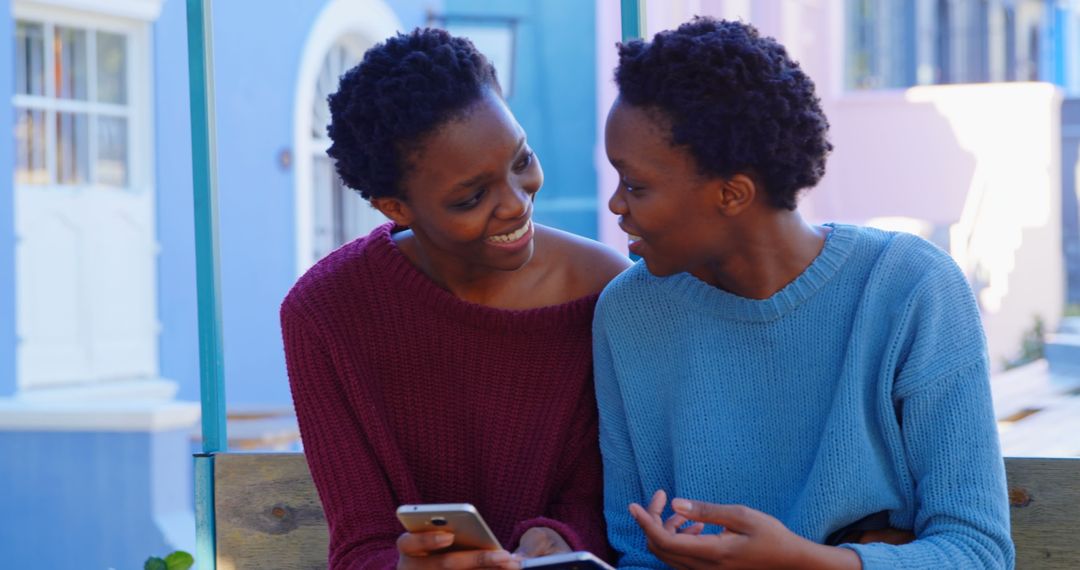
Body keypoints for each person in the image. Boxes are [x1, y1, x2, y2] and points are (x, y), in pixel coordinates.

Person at [593, 17, 1014, 569]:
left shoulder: (910, 289)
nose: (617, 206)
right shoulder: (628, 313)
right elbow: (634, 550)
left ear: (732, 194)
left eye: (637, 185)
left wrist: (807, 562)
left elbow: (978, 553)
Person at [281, 28, 629, 569]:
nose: (515, 204)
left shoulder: (605, 288)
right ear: (394, 208)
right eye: (472, 196)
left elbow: (607, 489)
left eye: (521, 160)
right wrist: (407, 565)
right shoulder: (325, 315)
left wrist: (564, 538)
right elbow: (359, 544)